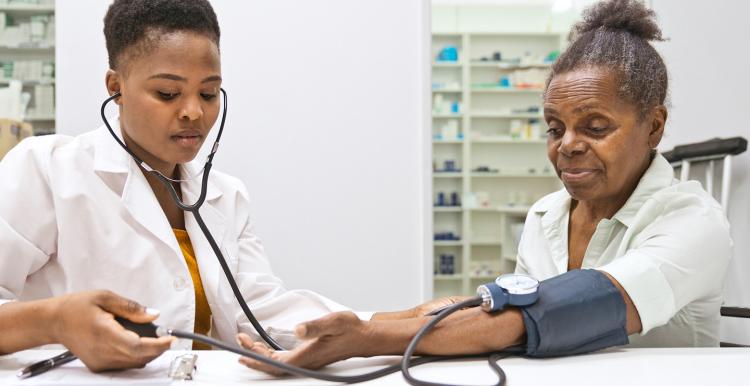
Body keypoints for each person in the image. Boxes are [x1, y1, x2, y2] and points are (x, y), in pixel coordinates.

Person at [238, 0, 732, 374]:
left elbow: (564, 310)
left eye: (596, 128)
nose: (568, 146)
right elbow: (494, 307)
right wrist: (339, 327)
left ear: (654, 126)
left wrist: (368, 338)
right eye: (555, 128)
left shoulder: (692, 222)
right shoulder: (547, 216)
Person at [0, 0, 405, 372]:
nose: (194, 112)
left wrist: (390, 326)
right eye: (168, 93)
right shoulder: (49, 171)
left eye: (208, 93)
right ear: (115, 87)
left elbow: (259, 311)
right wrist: (54, 321)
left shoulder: (225, 196)